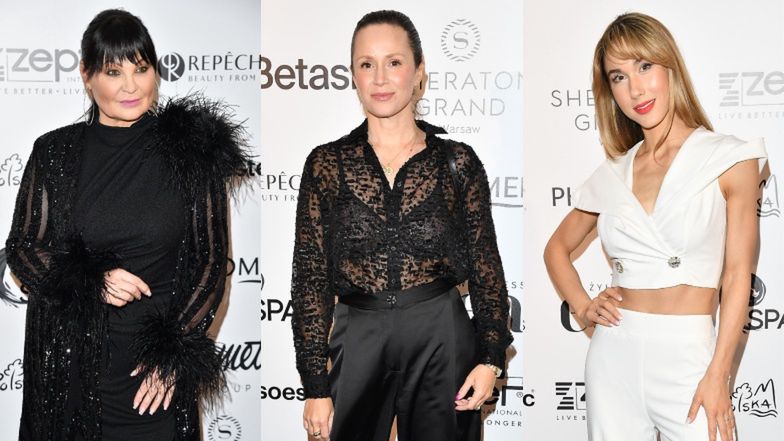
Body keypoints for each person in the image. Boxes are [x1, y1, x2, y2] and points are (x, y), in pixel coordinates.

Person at [5, 9, 251, 441]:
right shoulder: (54, 152)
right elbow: (23, 248)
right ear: (86, 75)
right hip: (70, 371)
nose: (131, 86)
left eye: (141, 68)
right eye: (113, 72)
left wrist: (172, 354)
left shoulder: (193, 151)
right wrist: (91, 281)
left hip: (151, 377)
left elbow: (211, 261)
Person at [290, 9, 513, 441]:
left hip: (441, 335)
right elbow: (310, 277)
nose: (380, 78)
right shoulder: (326, 164)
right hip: (357, 333)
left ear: (419, 71)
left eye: (393, 62)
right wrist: (315, 384)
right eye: (366, 64)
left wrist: (490, 357)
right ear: (353, 75)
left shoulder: (457, 162)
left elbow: (486, 265)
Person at [544, 12, 766, 441]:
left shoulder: (728, 158)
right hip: (613, 355)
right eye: (619, 77)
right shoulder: (613, 174)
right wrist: (583, 308)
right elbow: (556, 248)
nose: (635, 89)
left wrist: (719, 373)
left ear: (670, 66)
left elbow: (738, 274)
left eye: (644, 66)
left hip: (690, 356)